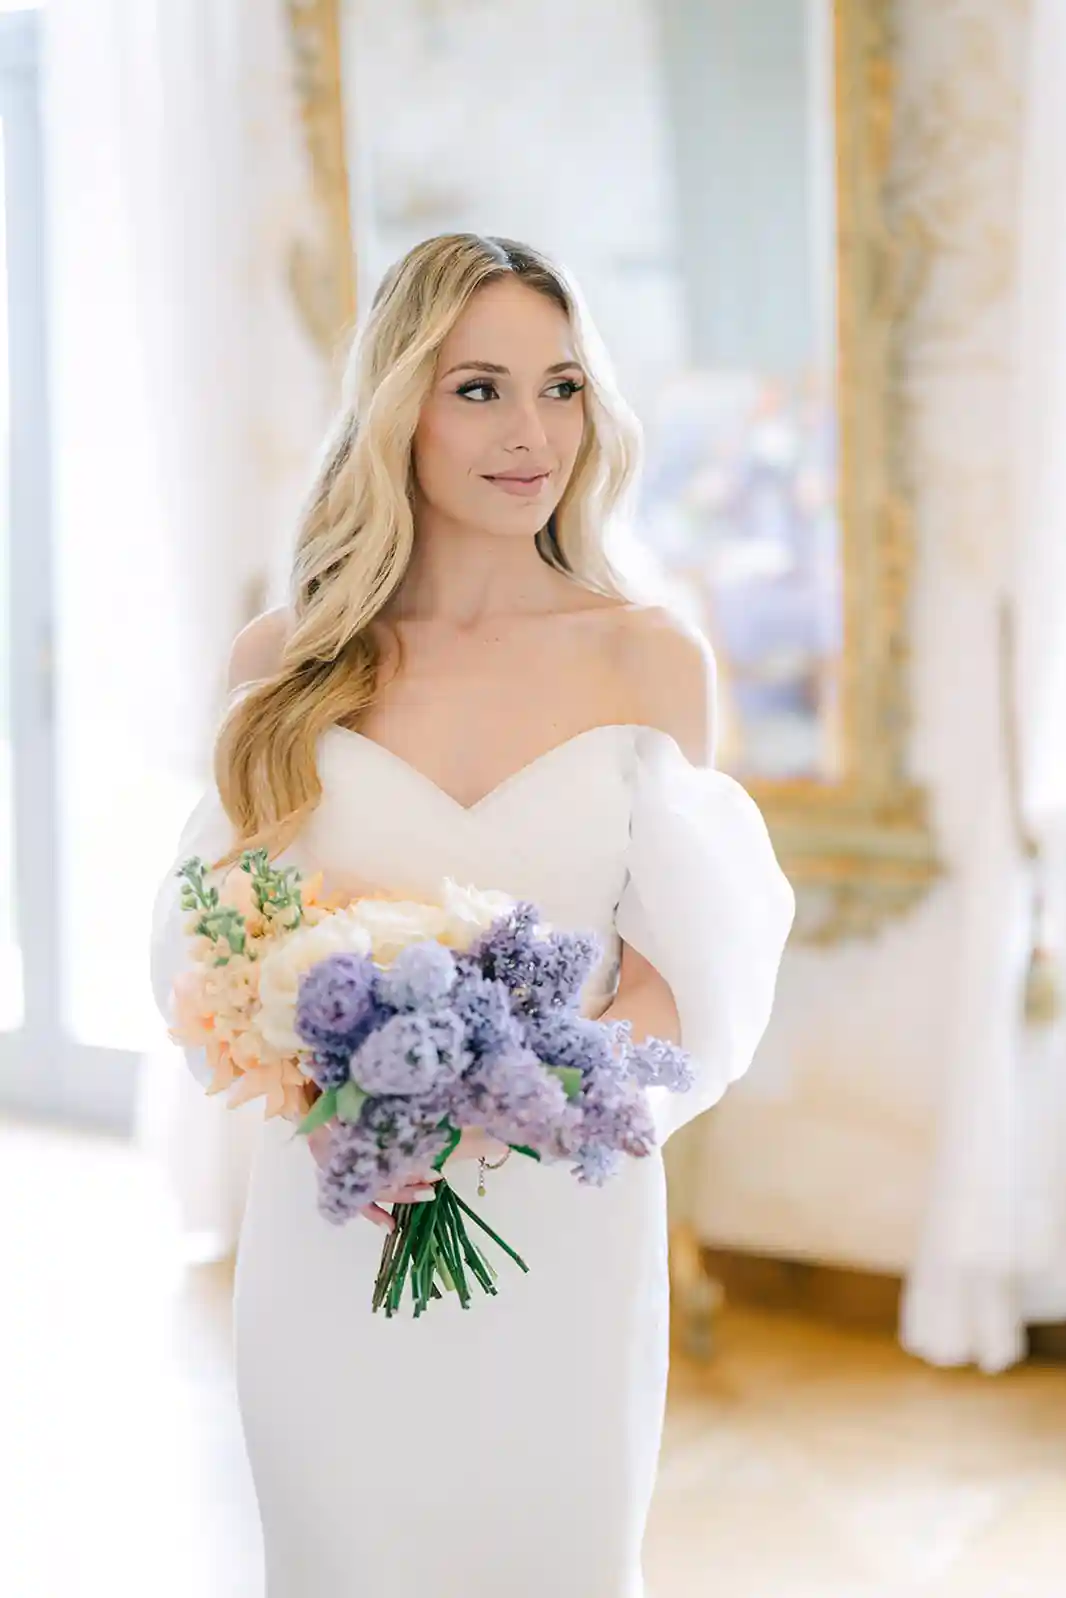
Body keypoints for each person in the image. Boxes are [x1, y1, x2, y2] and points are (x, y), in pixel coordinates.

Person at [149, 233, 795, 1598]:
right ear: (400, 405)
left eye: (560, 386)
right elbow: (216, 943)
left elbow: (695, 967)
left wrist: (512, 1096)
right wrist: (366, 1106)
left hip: (563, 1224)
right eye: (480, 388)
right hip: (339, 1225)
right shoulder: (284, 664)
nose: (533, 432)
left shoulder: (646, 658)